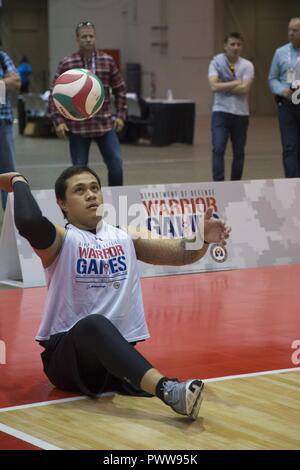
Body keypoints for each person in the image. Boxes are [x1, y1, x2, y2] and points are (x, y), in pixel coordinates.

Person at [0, 166, 230, 420]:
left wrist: (203, 239)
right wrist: (19, 181)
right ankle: (169, 390)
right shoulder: (61, 239)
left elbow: (181, 252)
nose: (90, 195)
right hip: (69, 362)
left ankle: (158, 384)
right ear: (62, 203)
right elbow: (30, 222)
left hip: (111, 365)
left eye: (94, 188)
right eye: (80, 190)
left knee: (99, 326)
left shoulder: (124, 235)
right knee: (93, 324)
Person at [48, 21, 126, 186]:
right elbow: (54, 94)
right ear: (77, 39)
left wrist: (120, 116)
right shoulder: (67, 63)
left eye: (91, 36)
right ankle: (84, 208)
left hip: (105, 125)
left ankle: (117, 203)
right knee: (79, 172)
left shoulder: (107, 61)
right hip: (78, 127)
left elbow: (120, 89)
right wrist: (59, 122)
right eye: (84, 36)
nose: (88, 39)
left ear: (95, 37)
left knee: (116, 166)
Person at [208, 32, 254, 181]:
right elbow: (214, 86)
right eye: (232, 44)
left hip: (240, 114)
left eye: (239, 44)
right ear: (225, 46)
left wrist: (223, 84)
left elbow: (245, 89)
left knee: (238, 152)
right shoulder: (216, 62)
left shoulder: (247, 65)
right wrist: (235, 82)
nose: (235, 47)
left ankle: (235, 184)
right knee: (218, 148)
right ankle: (219, 184)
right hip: (220, 112)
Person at [268, 17, 300, 178]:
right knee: (289, 146)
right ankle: (292, 184)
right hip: (287, 105)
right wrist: (282, 90)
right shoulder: (280, 52)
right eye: (289, 30)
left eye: (295, 30)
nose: (291, 33)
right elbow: (272, 79)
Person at [0, 48, 21, 210]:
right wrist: (3, 81)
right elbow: (10, 81)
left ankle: (9, 216)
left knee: (7, 173)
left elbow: (16, 82)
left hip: (3, 122)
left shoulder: (2, 57)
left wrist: (5, 83)